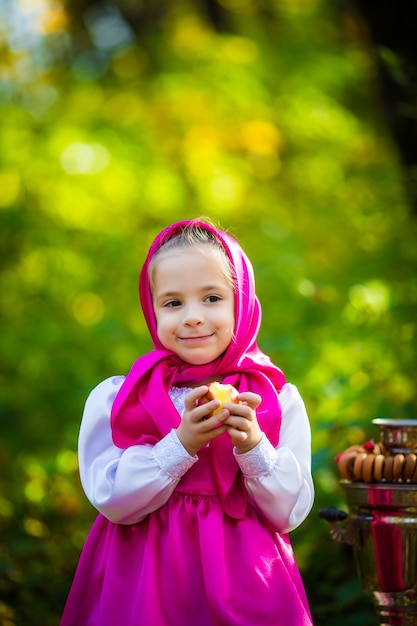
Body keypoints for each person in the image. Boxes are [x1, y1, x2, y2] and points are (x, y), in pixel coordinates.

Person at [60, 219, 314, 626]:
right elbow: (114, 502)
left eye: (212, 298)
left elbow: (289, 513)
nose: (193, 317)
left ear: (242, 302)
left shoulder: (274, 400)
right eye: (173, 303)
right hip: (144, 576)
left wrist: (252, 444)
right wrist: (181, 443)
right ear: (151, 307)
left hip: (247, 578)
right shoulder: (121, 398)